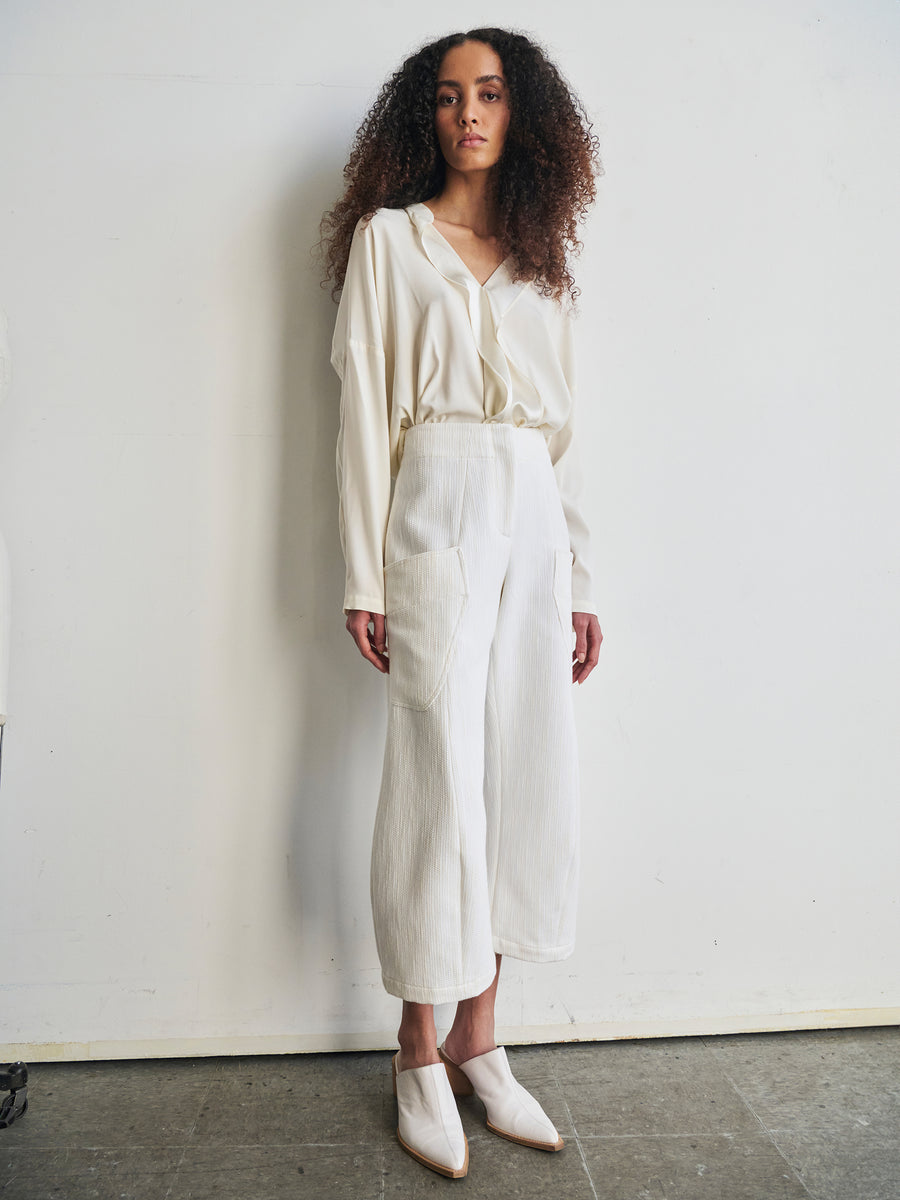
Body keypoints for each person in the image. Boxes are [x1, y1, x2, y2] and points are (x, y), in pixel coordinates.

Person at [321, 27, 604, 1179]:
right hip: (434, 508)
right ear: (422, 117)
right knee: (439, 779)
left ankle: (486, 1042)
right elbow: (360, 414)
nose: (468, 115)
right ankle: (417, 1048)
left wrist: (579, 575)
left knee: (521, 764)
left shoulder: (539, 261)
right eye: (447, 98)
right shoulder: (390, 245)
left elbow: (565, 442)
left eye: (488, 95)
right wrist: (360, 571)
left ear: (520, 114)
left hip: (531, 523)